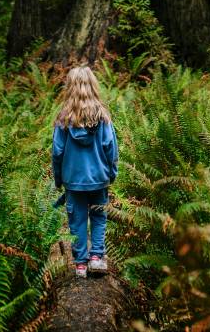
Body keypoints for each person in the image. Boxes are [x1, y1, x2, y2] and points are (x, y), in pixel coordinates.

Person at [52, 66, 118, 278]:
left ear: (70, 88)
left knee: (77, 221)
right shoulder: (103, 118)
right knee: (98, 217)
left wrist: (59, 179)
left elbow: (57, 152)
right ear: (93, 86)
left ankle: (80, 264)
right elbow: (111, 148)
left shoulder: (63, 120)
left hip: (73, 181)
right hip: (99, 178)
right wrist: (112, 174)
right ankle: (96, 258)